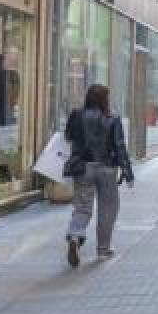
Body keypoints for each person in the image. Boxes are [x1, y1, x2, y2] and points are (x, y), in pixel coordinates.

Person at [63, 84, 134, 266]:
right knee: (108, 208)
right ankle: (103, 249)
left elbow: (68, 136)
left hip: (83, 167)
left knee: (82, 207)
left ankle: (75, 235)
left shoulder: (77, 115)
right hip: (107, 168)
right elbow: (119, 146)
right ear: (104, 99)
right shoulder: (113, 118)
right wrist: (127, 172)